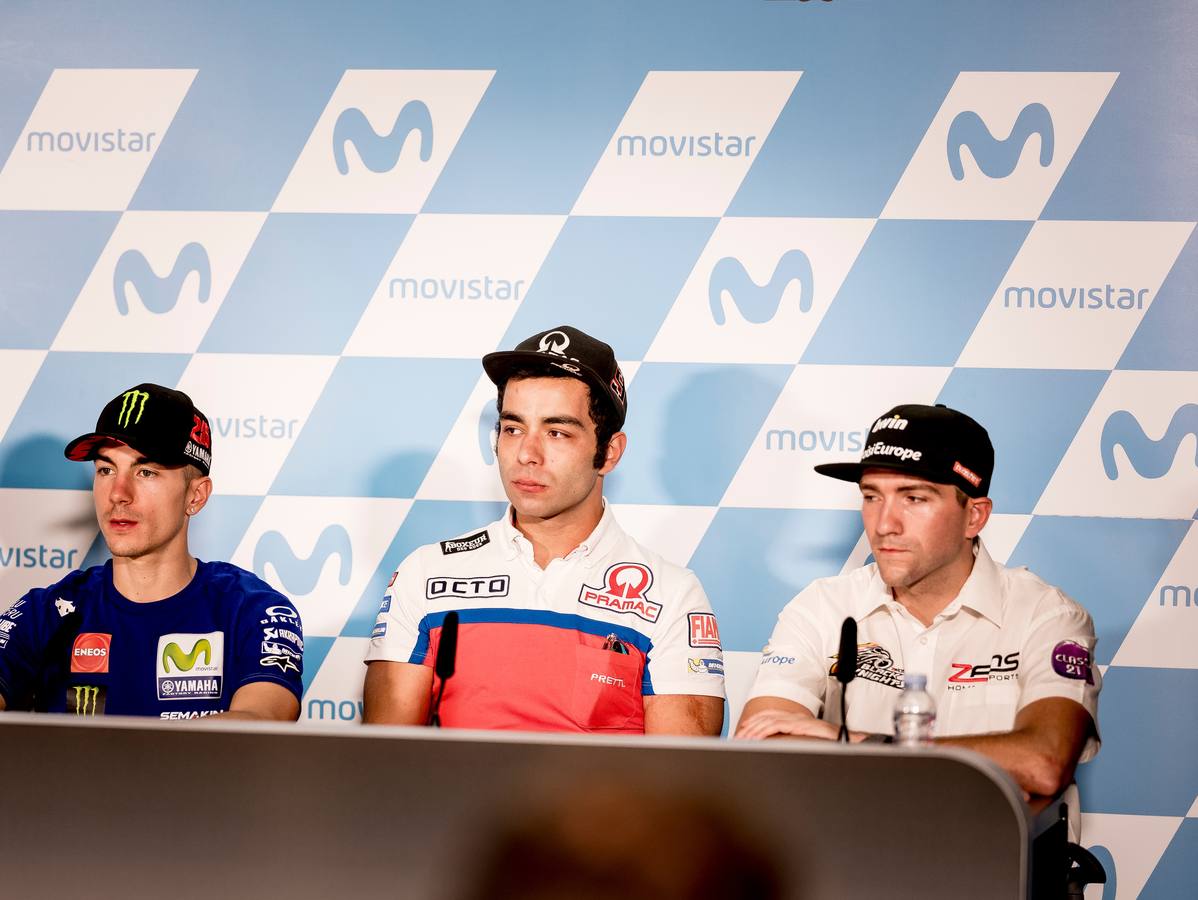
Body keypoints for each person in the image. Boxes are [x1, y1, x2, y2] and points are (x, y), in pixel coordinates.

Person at [363, 326, 725, 734]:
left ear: (609, 452)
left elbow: (679, 782)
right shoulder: (426, 573)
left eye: (557, 432)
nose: (526, 454)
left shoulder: (672, 595)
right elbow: (386, 760)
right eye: (513, 428)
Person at [736, 404, 1101, 798]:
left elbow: (1042, 763)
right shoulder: (821, 606)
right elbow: (762, 745)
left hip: (987, 858)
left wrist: (858, 741)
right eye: (872, 497)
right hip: (853, 854)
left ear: (974, 517)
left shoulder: (1046, 616)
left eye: (914, 498)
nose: (884, 524)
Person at [0, 383, 303, 720]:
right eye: (106, 470)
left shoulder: (252, 610)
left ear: (196, 496)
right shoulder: (46, 612)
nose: (118, 493)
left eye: (146, 472)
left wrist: (124, 763)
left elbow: (261, 725)